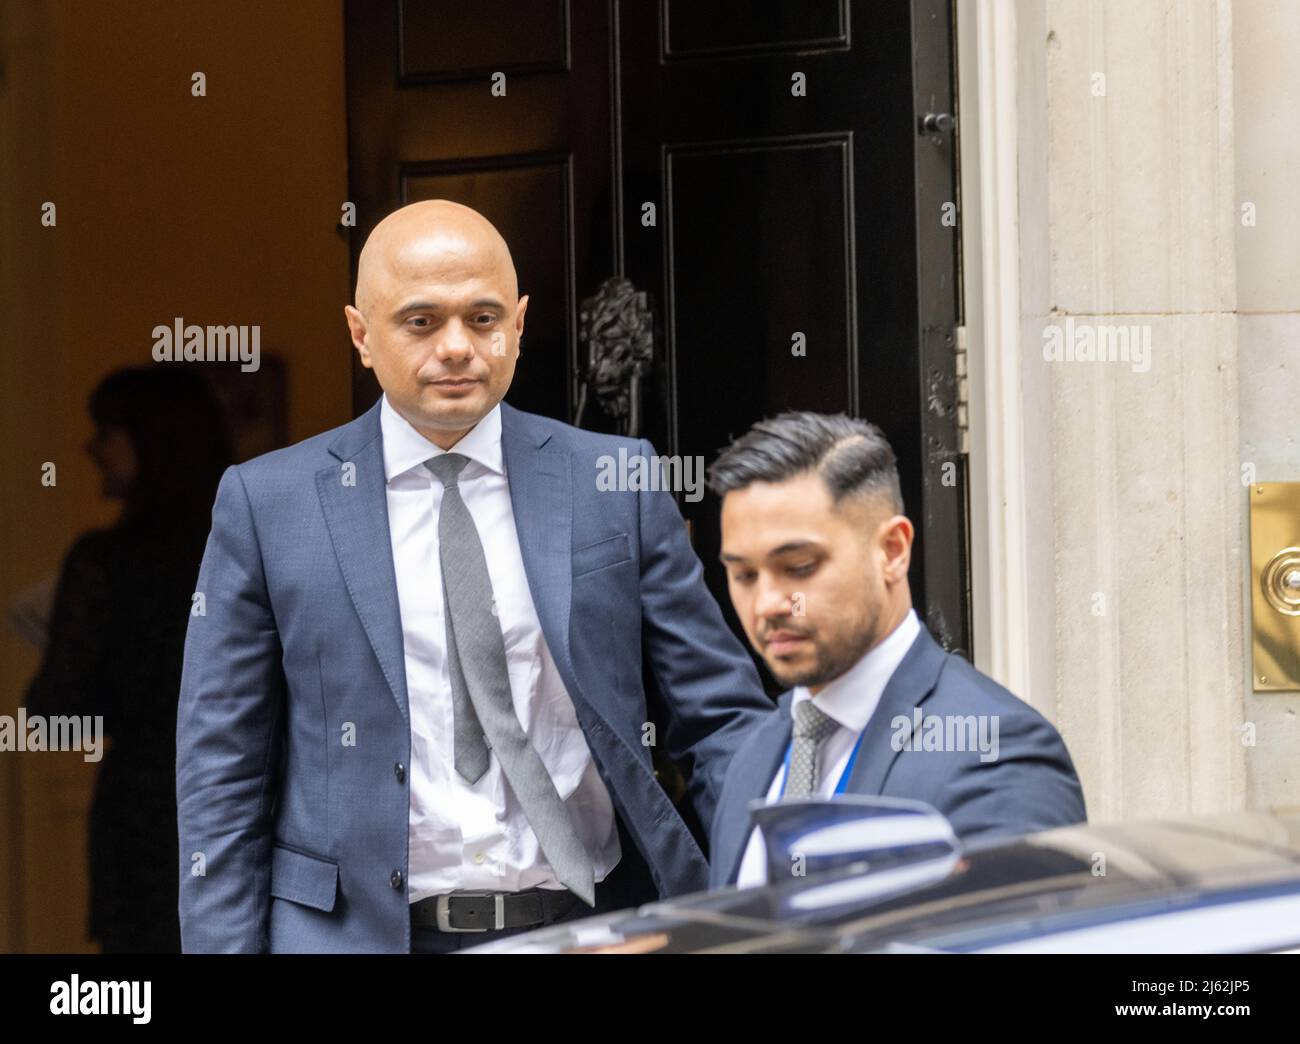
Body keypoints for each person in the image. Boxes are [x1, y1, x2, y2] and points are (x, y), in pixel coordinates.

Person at [176, 200, 773, 953]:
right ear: (362, 335)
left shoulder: (615, 481)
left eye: (483, 318)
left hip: (596, 930)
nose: (457, 347)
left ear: (519, 324)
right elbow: (221, 771)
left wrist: (767, 900)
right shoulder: (267, 506)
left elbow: (720, 721)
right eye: (421, 322)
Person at [705, 412, 1086, 889]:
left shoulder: (997, 752)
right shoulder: (754, 754)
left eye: (799, 567)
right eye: (743, 575)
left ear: (892, 551)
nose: (766, 604)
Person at [27, 366, 232, 952]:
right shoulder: (253, 547)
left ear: (150, 439)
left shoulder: (105, 564)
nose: (93, 447)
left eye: (107, 430)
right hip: (242, 802)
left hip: (146, 812)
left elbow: (53, 713)